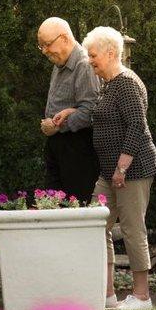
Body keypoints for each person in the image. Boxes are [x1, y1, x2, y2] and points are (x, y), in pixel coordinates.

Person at [81, 26, 156, 310]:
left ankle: (142, 297)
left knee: (132, 228)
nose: (90, 61)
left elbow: (137, 126)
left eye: (93, 56)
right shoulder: (108, 84)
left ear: (111, 53)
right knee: (95, 224)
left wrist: (122, 168)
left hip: (133, 170)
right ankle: (107, 295)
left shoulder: (126, 82)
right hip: (108, 172)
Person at [37, 17, 100, 204]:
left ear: (64, 38)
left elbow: (91, 110)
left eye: (47, 44)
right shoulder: (59, 63)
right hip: (58, 146)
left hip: (78, 148)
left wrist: (58, 126)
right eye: (41, 46)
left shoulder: (83, 64)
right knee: (52, 205)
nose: (45, 51)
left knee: (75, 207)